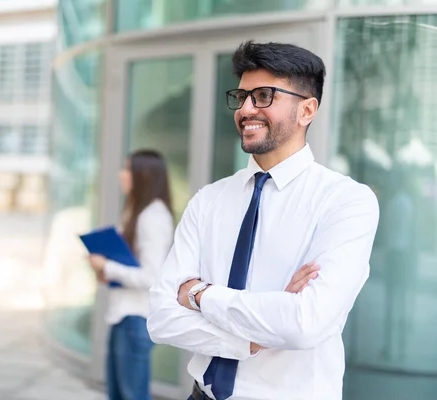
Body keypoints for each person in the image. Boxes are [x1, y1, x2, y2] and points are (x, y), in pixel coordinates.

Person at [148, 41, 380, 400]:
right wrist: (253, 337)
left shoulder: (346, 201)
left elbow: (305, 323)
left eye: (263, 96)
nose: (245, 109)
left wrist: (198, 294)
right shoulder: (208, 200)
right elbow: (161, 318)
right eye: (241, 97)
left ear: (307, 110)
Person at [88, 149, 175, 400]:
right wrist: (107, 271)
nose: (121, 175)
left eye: (127, 169)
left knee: (132, 395)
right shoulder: (137, 211)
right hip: (123, 317)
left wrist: (107, 266)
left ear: (143, 175)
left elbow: (151, 277)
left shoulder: (153, 217)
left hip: (136, 319)